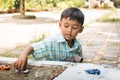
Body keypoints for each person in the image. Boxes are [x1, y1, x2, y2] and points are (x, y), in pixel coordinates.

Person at [14, 7, 84, 71]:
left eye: (74, 27)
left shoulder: (78, 45)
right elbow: (32, 47)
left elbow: (79, 60)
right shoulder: (52, 42)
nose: (69, 30)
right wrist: (23, 56)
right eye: (66, 26)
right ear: (60, 25)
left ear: (81, 29)